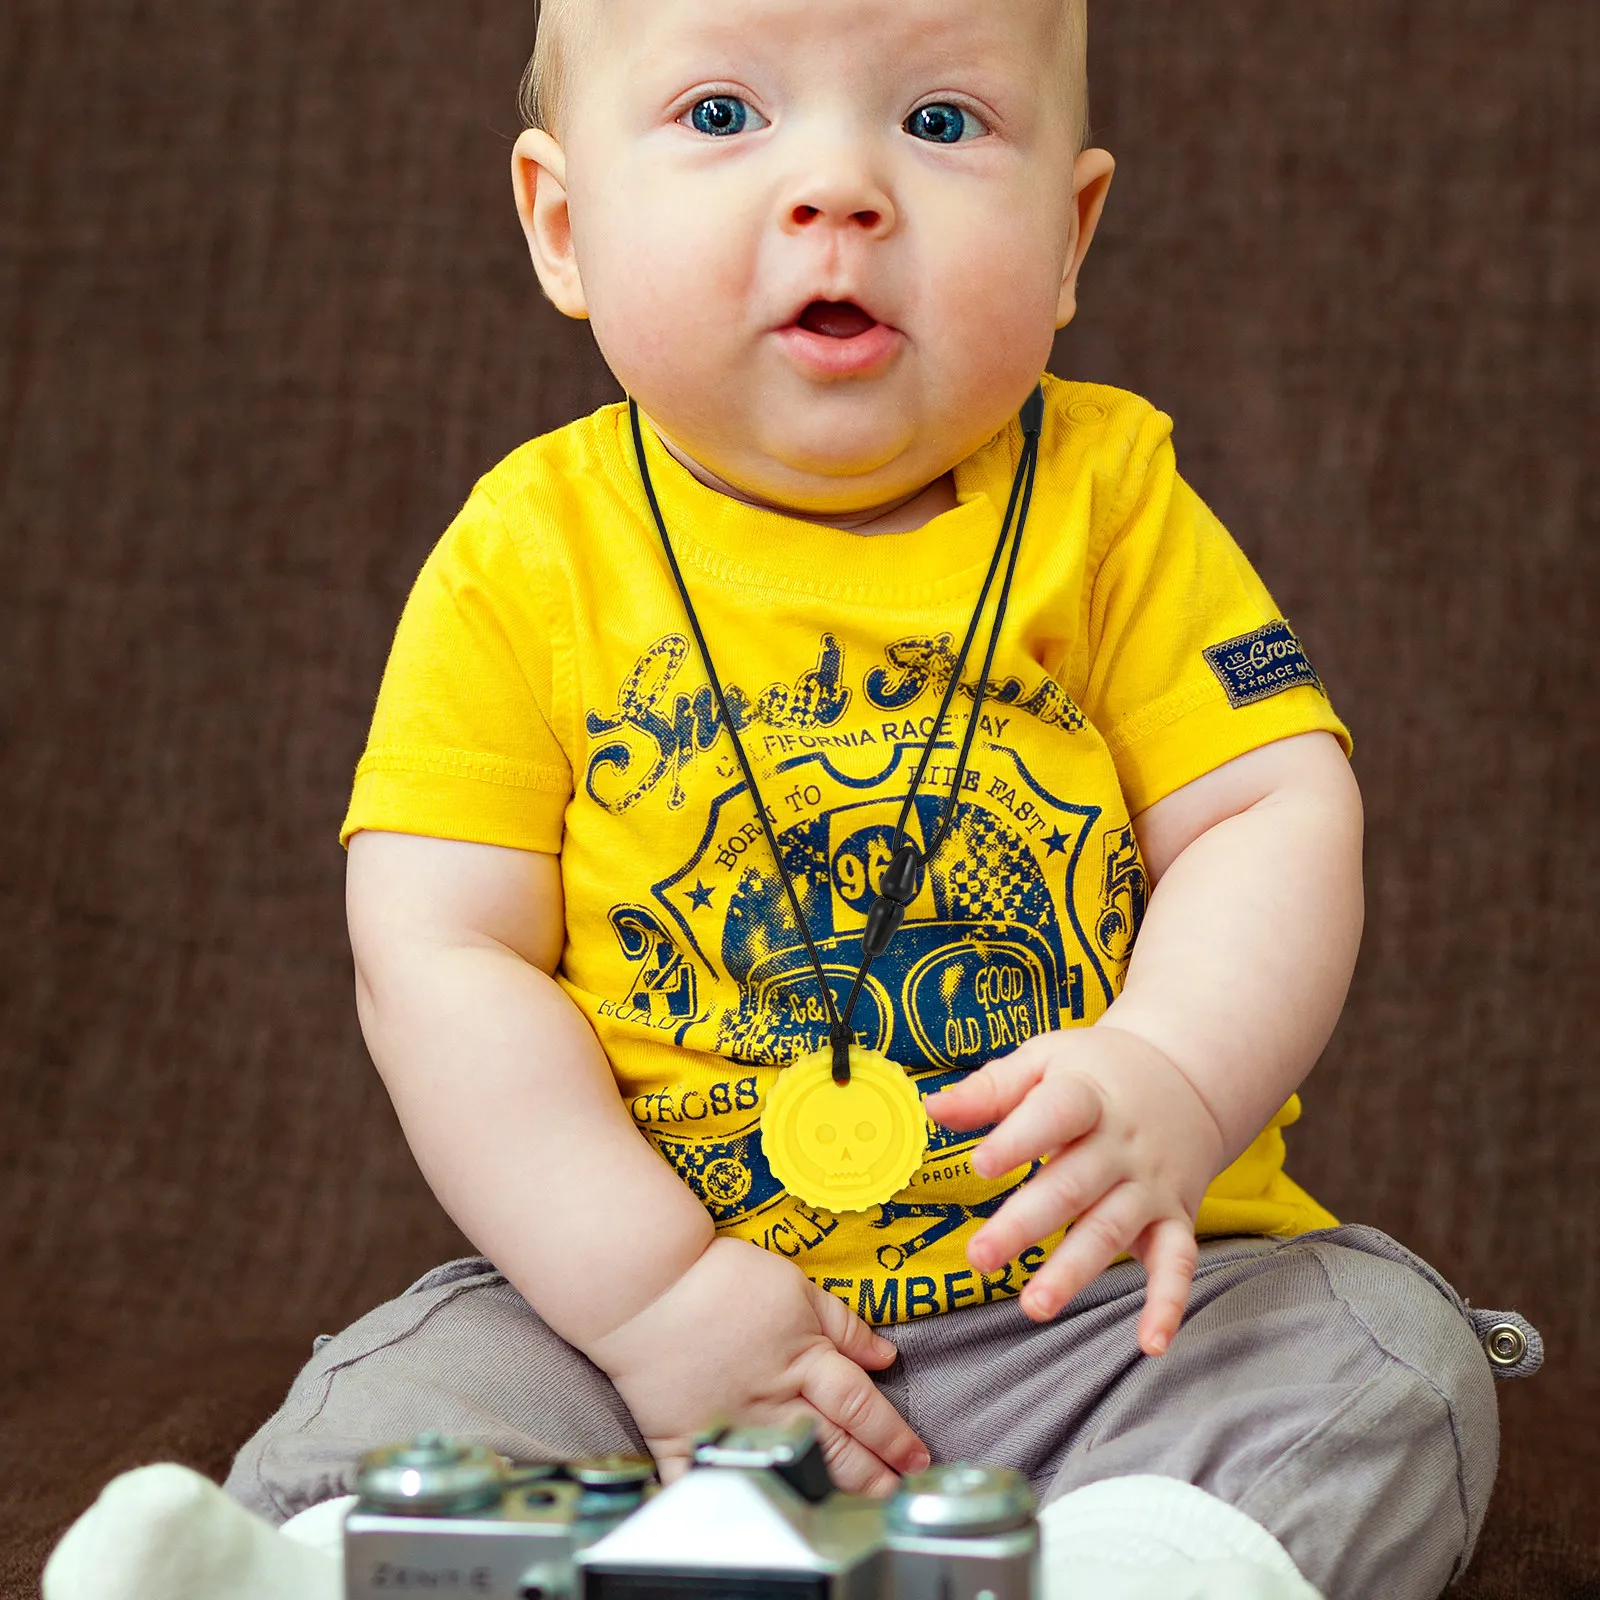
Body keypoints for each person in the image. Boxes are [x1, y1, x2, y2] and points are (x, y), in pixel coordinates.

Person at [43, 3, 1539, 1598]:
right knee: (415, 1386)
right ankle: (324, 1567)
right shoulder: (528, 557)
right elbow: (436, 955)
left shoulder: (1115, 507)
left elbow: (1271, 809)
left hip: (1093, 1328)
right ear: (562, 223)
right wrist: (656, 1298)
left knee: (1384, 1353)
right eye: (722, 115)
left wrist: (1173, 1061)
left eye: (945, 124)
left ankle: (1128, 1565)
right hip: (648, 1356)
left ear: (1070, 237)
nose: (841, 189)